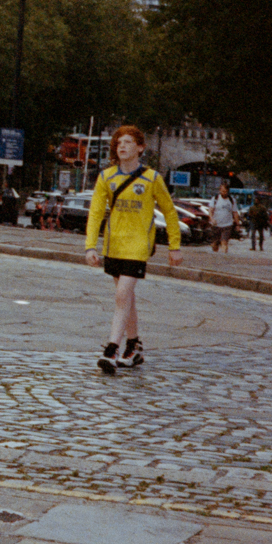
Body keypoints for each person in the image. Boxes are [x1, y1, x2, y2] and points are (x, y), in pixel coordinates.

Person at [83, 124, 182, 374]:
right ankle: (134, 346)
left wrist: (174, 246)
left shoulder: (152, 178)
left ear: (140, 147)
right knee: (126, 297)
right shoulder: (106, 177)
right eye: (119, 143)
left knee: (122, 295)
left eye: (128, 142)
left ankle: (111, 349)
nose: (122, 146)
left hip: (138, 246)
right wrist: (90, 246)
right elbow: (95, 213)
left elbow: (170, 212)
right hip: (114, 244)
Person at [206, 183, 237, 253]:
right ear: (220, 190)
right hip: (216, 225)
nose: (224, 193)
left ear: (228, 191)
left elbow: (235, 212)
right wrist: (211, 219)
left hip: (227, 225)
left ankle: (224, 256)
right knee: (215, 244)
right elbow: (210, 210)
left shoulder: (232, 200)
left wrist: (237, 224)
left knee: (224, 242)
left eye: (225, 191)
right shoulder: (215, 199)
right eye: (222, 191)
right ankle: (216, 255)